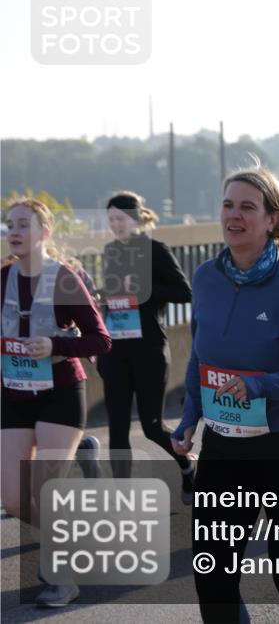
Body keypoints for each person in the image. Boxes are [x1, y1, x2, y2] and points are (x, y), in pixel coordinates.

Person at [170, 163, 279, 623]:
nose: (235, 215)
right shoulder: (205, 278)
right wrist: (189, 419)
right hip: (224, 446)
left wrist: (260, 386)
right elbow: (200, 359)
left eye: (248, 206)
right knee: (213, 575)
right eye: (228, 205)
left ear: (273, 220)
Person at [1, 199, 111, 607]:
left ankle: (61, 576)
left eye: (23, 224)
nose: (13, 231)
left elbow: (100, 339)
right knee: (13, 499)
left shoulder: (64, 278)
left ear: (45, 231)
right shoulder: (2, 279)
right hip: (13, 394)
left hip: (61, 392)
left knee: (46, 490)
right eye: (9, 224)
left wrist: (55, 344)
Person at [97, 192, 196, 495]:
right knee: (117, 425)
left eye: (121, 218)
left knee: (152, 426)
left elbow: (184, 292)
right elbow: (116, 300)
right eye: (111, 219)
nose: (116, 224)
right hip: (116, 349)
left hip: (149, 348)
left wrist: (145, 289)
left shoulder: (155, 250)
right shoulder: (111, 251)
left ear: (137, 219)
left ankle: (187, 466)